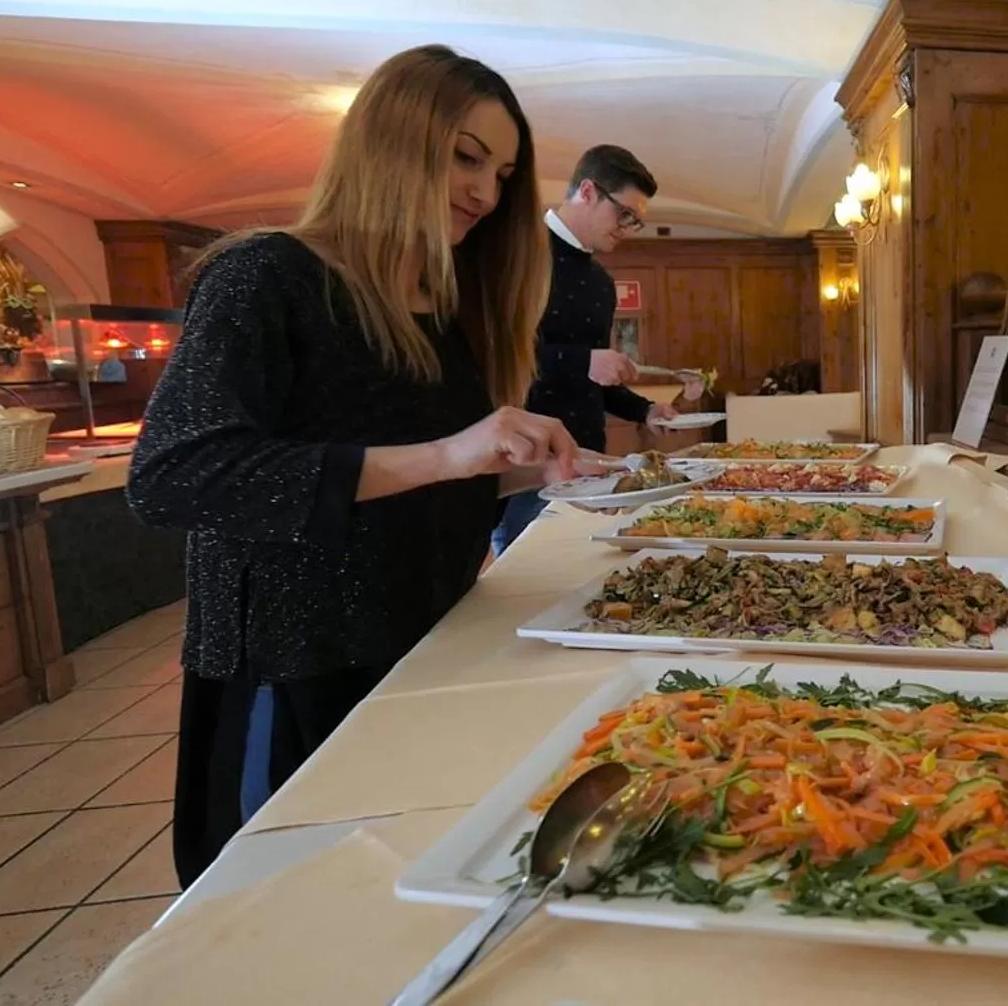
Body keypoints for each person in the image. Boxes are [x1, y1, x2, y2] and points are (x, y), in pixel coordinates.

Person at [126, 45, 581, 887]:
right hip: (296, 664)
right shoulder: (265, 274)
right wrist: (448, 453)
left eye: (504, 172)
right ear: (389, 140)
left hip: (426, 643)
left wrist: (529, 468)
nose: (486, 192)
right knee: (282, 906)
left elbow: (418, 478)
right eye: (465, 156)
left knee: (403, 890)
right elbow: (174, 475)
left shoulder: (447, 306)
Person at [491, 144, 677, 554]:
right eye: (623, 214)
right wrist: (582, 361)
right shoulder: (515, 255)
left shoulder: (600, 282)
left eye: (636, 222)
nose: (628, 229)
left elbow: (596, 379)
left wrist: (644, 410)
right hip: (526, 465)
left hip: (589, 460)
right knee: (526, 586)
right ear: (588, 191)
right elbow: (494, 357)